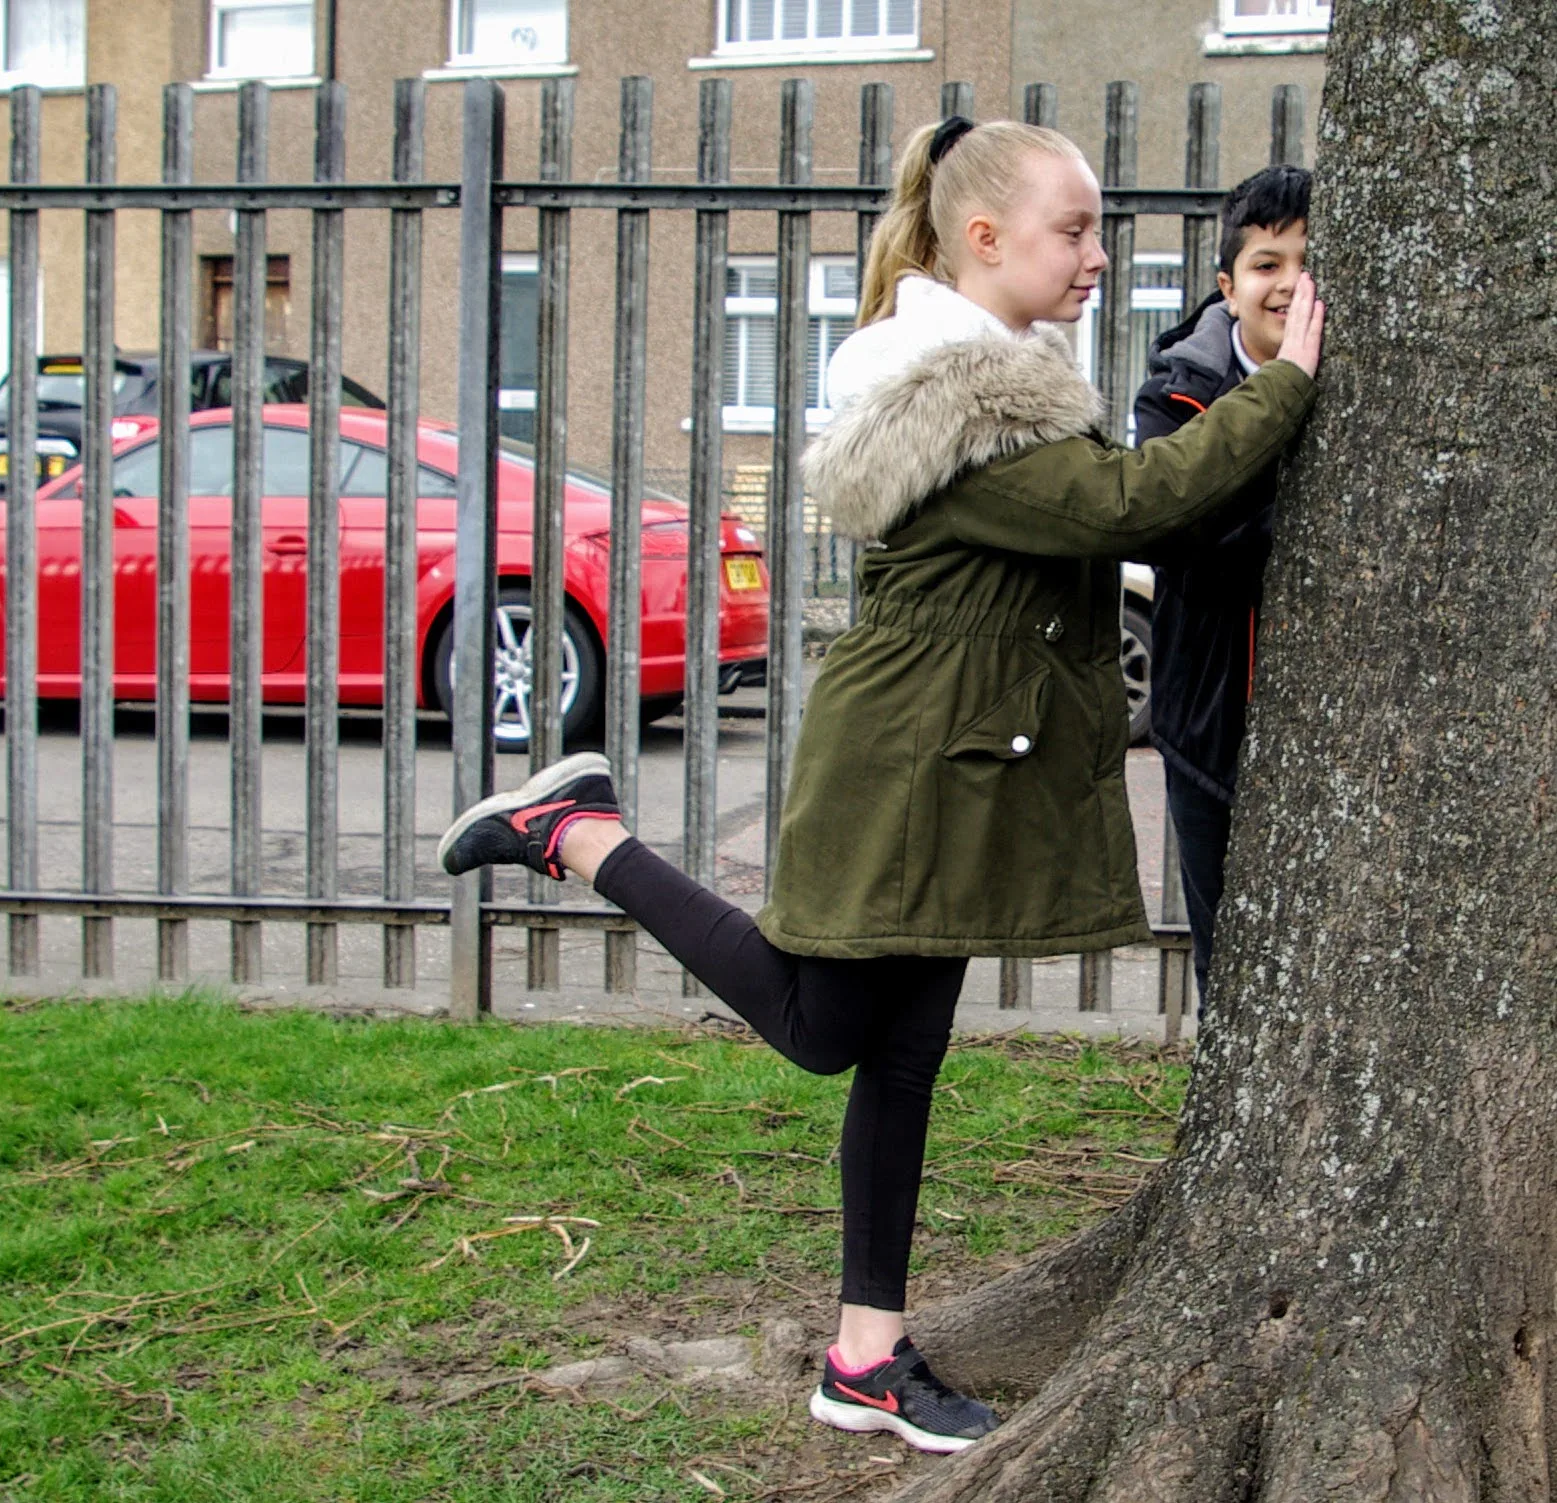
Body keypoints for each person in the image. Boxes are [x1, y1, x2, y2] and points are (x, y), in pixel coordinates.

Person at [438, 116, 1325, 1455]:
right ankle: (581, 831)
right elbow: (1131, 505)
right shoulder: (959, 402)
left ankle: (863, 1351)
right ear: (982, 237)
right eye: (1071, 231)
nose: (1096, 255)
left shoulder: (1004, 373)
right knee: (819, 1023)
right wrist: (1287, 381)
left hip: (960, 762)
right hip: (904, 762)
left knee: (902, 1054)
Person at [1132, 164, 1311, 1002]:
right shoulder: (1176, 389)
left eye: (1306, 264)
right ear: (1226, 285)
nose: (1287, 284)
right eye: (1266, 264)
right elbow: (1188, 536)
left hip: (1330, 721)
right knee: (1228, 958)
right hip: (1209, 721)